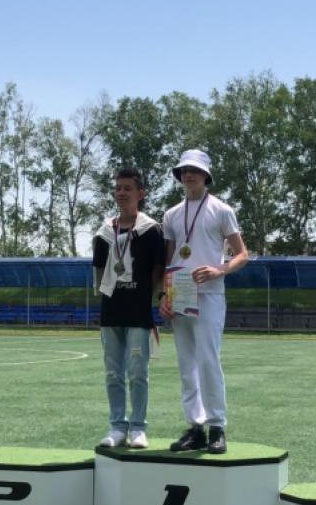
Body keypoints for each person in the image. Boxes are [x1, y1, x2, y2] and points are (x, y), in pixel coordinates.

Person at [159, 150, 248, 453]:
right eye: (184, 170)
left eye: (195, 170)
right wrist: (164, 296)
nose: (189, 175)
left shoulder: (222, 210)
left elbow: (242, 254)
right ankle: (195, 427)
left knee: (208, 360)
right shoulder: (171, 214)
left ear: (206, 175)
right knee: (187, 364)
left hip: (210, 294)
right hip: (180, 295)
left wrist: (219, 269)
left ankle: (217, 426)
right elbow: (170, 259)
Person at [92, 168, 164, 449]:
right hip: (111, 313)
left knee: (137, 373)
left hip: (138, 313)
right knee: (113, 373)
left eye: (127, 188)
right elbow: (99, 271)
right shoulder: (104, 233)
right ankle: (117, 427)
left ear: (140, 194)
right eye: (118, 188)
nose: (121, 193)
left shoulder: (151, 230)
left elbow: (158, 269)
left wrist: (149, 296)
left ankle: (138, 428)